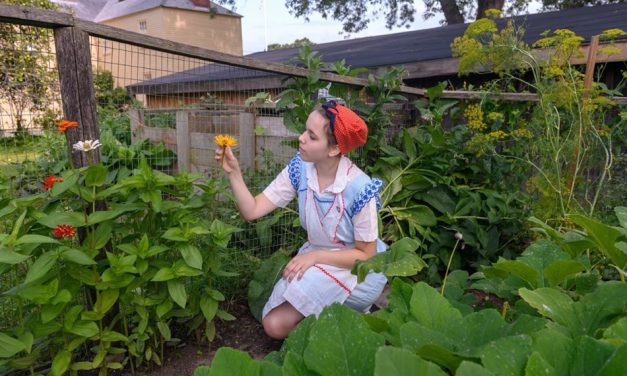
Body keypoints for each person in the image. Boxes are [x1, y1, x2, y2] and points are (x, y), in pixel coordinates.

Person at [215, 100, 387, 339]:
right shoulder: (301, 169)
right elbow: (252, 210)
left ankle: (350, 329)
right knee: (273, 316)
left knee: (274, 325)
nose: (301, 138)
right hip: (316, 258)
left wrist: (314, 257)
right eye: (305, 130)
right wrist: (234, 173)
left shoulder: (359, 188)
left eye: (312, 136)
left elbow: (367, 256)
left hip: (354, 268)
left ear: (334, 149)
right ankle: (343, 325)